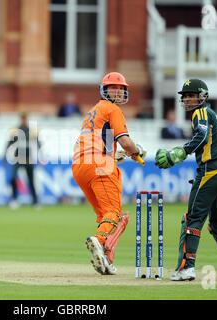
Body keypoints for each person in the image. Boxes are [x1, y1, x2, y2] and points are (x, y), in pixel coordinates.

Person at [155, 78, 217, 281]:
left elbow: (201, 136)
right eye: (186, 96)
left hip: (212, 170)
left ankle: (186, 267)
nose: (188, 100)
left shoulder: (201, 112)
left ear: (203, 97)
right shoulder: (213, 115)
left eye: (192, 95)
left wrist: (180, 152)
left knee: (193, 218)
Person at [71, 72, 146, 275]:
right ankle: (100, 241)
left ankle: (104, 258)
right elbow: (125, 141)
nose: (118, 92)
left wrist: (117, 156)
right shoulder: (112, 109)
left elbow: (98, 144)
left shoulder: (92, 112)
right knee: (114, 213)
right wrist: (135, 151)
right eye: (114, 88)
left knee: (105, 216)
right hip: (100, 165)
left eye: (121, 89)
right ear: (105, 90)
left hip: (80, 166)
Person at [4, 111, 41, 210]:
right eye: (22, 118)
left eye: (25, 118)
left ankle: (35, 202)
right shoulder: (15, 130)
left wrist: (42, 157)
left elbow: (38, 143)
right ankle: (15, 199)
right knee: (13, 178)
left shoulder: (32, 131)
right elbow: (9, 143)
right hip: (18, 158)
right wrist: (4, 156)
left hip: (28, 158)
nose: (24, 120)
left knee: (31, 180)